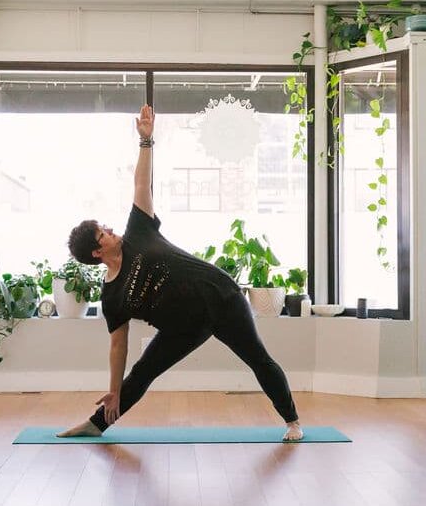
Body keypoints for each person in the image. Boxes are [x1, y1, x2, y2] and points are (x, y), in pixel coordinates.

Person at [58, 104, 303, 441]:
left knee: (258, 359)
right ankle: (96, 423)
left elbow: (141, 184)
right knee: (143, 371)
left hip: (221, 298)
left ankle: (293, 422)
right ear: (97, 252)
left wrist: (146, 142)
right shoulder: (112, 296)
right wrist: (114, 390)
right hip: (182, 328)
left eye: (105, 227)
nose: (111, 230)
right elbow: (119, 346)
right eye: (104, 233)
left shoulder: (138, 232)